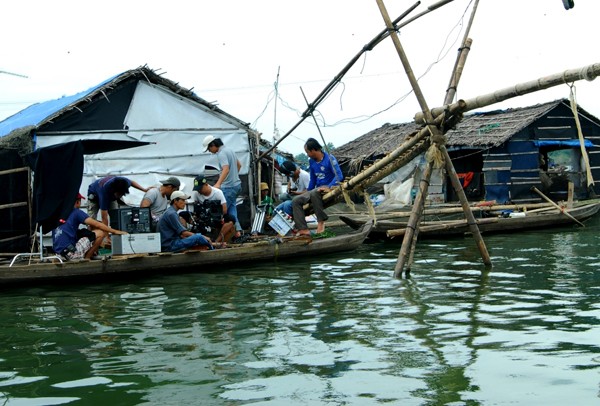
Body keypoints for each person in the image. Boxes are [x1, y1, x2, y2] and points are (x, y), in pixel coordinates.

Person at [292, 138, 343, 236]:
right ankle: (303, 229)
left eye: (307, 152)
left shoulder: (330, 159)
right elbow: (313, 179)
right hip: (317, 189)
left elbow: (339, 176)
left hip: (329, 187)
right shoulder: (311, 162)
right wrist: (307, 192)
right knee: (296, 200)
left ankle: (321, 222)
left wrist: (329, 186)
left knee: (315, 192)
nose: (307, 154)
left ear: (313, 150)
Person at [52, 193, 127, 260]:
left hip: (58, 254)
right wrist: (115, 231)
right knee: (100, 233)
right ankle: (87, 257)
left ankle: (90, 254)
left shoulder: (59, 213)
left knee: (83, 232)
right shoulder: (76, 212)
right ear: (77, 202)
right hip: (70, 254)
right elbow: (97, 224)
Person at [203, 135, 243, 236]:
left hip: (229, 187)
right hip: (237, 185)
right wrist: (234, 177)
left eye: (209, 149)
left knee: (221, 211)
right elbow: (239, 165)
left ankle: (220, 235)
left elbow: (226, 169)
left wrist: (218, 184)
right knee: (232, 209)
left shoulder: (221, 154)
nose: (210, 151)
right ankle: (237, 232)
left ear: (213, 145)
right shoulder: (230, 150)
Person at [191, 175, 235, 243]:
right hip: (203, 217)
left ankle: (217, 241)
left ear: (206, 185)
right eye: (197, 189)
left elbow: (224, 209)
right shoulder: (197, 194)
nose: (199, 191)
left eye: (200, 189)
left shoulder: (217, 193)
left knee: (231, 219)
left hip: (216, 217)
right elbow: (196, 208)